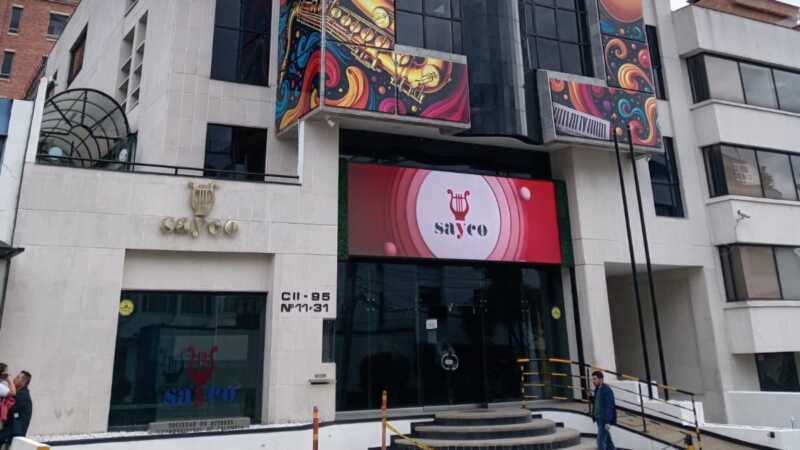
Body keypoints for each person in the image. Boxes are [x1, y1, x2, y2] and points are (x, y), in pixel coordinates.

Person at [0, 371, 32, 445]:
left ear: (23, 382)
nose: (14, 379)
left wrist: (9, 381)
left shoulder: (23, 396)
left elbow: (9, 408)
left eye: (17, 377)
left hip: (14, 432)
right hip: (11, 430)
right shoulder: (19, 393)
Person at [592, 370, 617, 450]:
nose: (593, 381)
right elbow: (598, 402)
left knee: (600, 442)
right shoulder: (597, 389)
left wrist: (608, 422)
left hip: (604, 420)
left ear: (601, 379)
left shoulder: (607, 390)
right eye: (593, 379)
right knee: (608, 443)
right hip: (598, 419)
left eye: (595, 379)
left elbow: (609, 406)